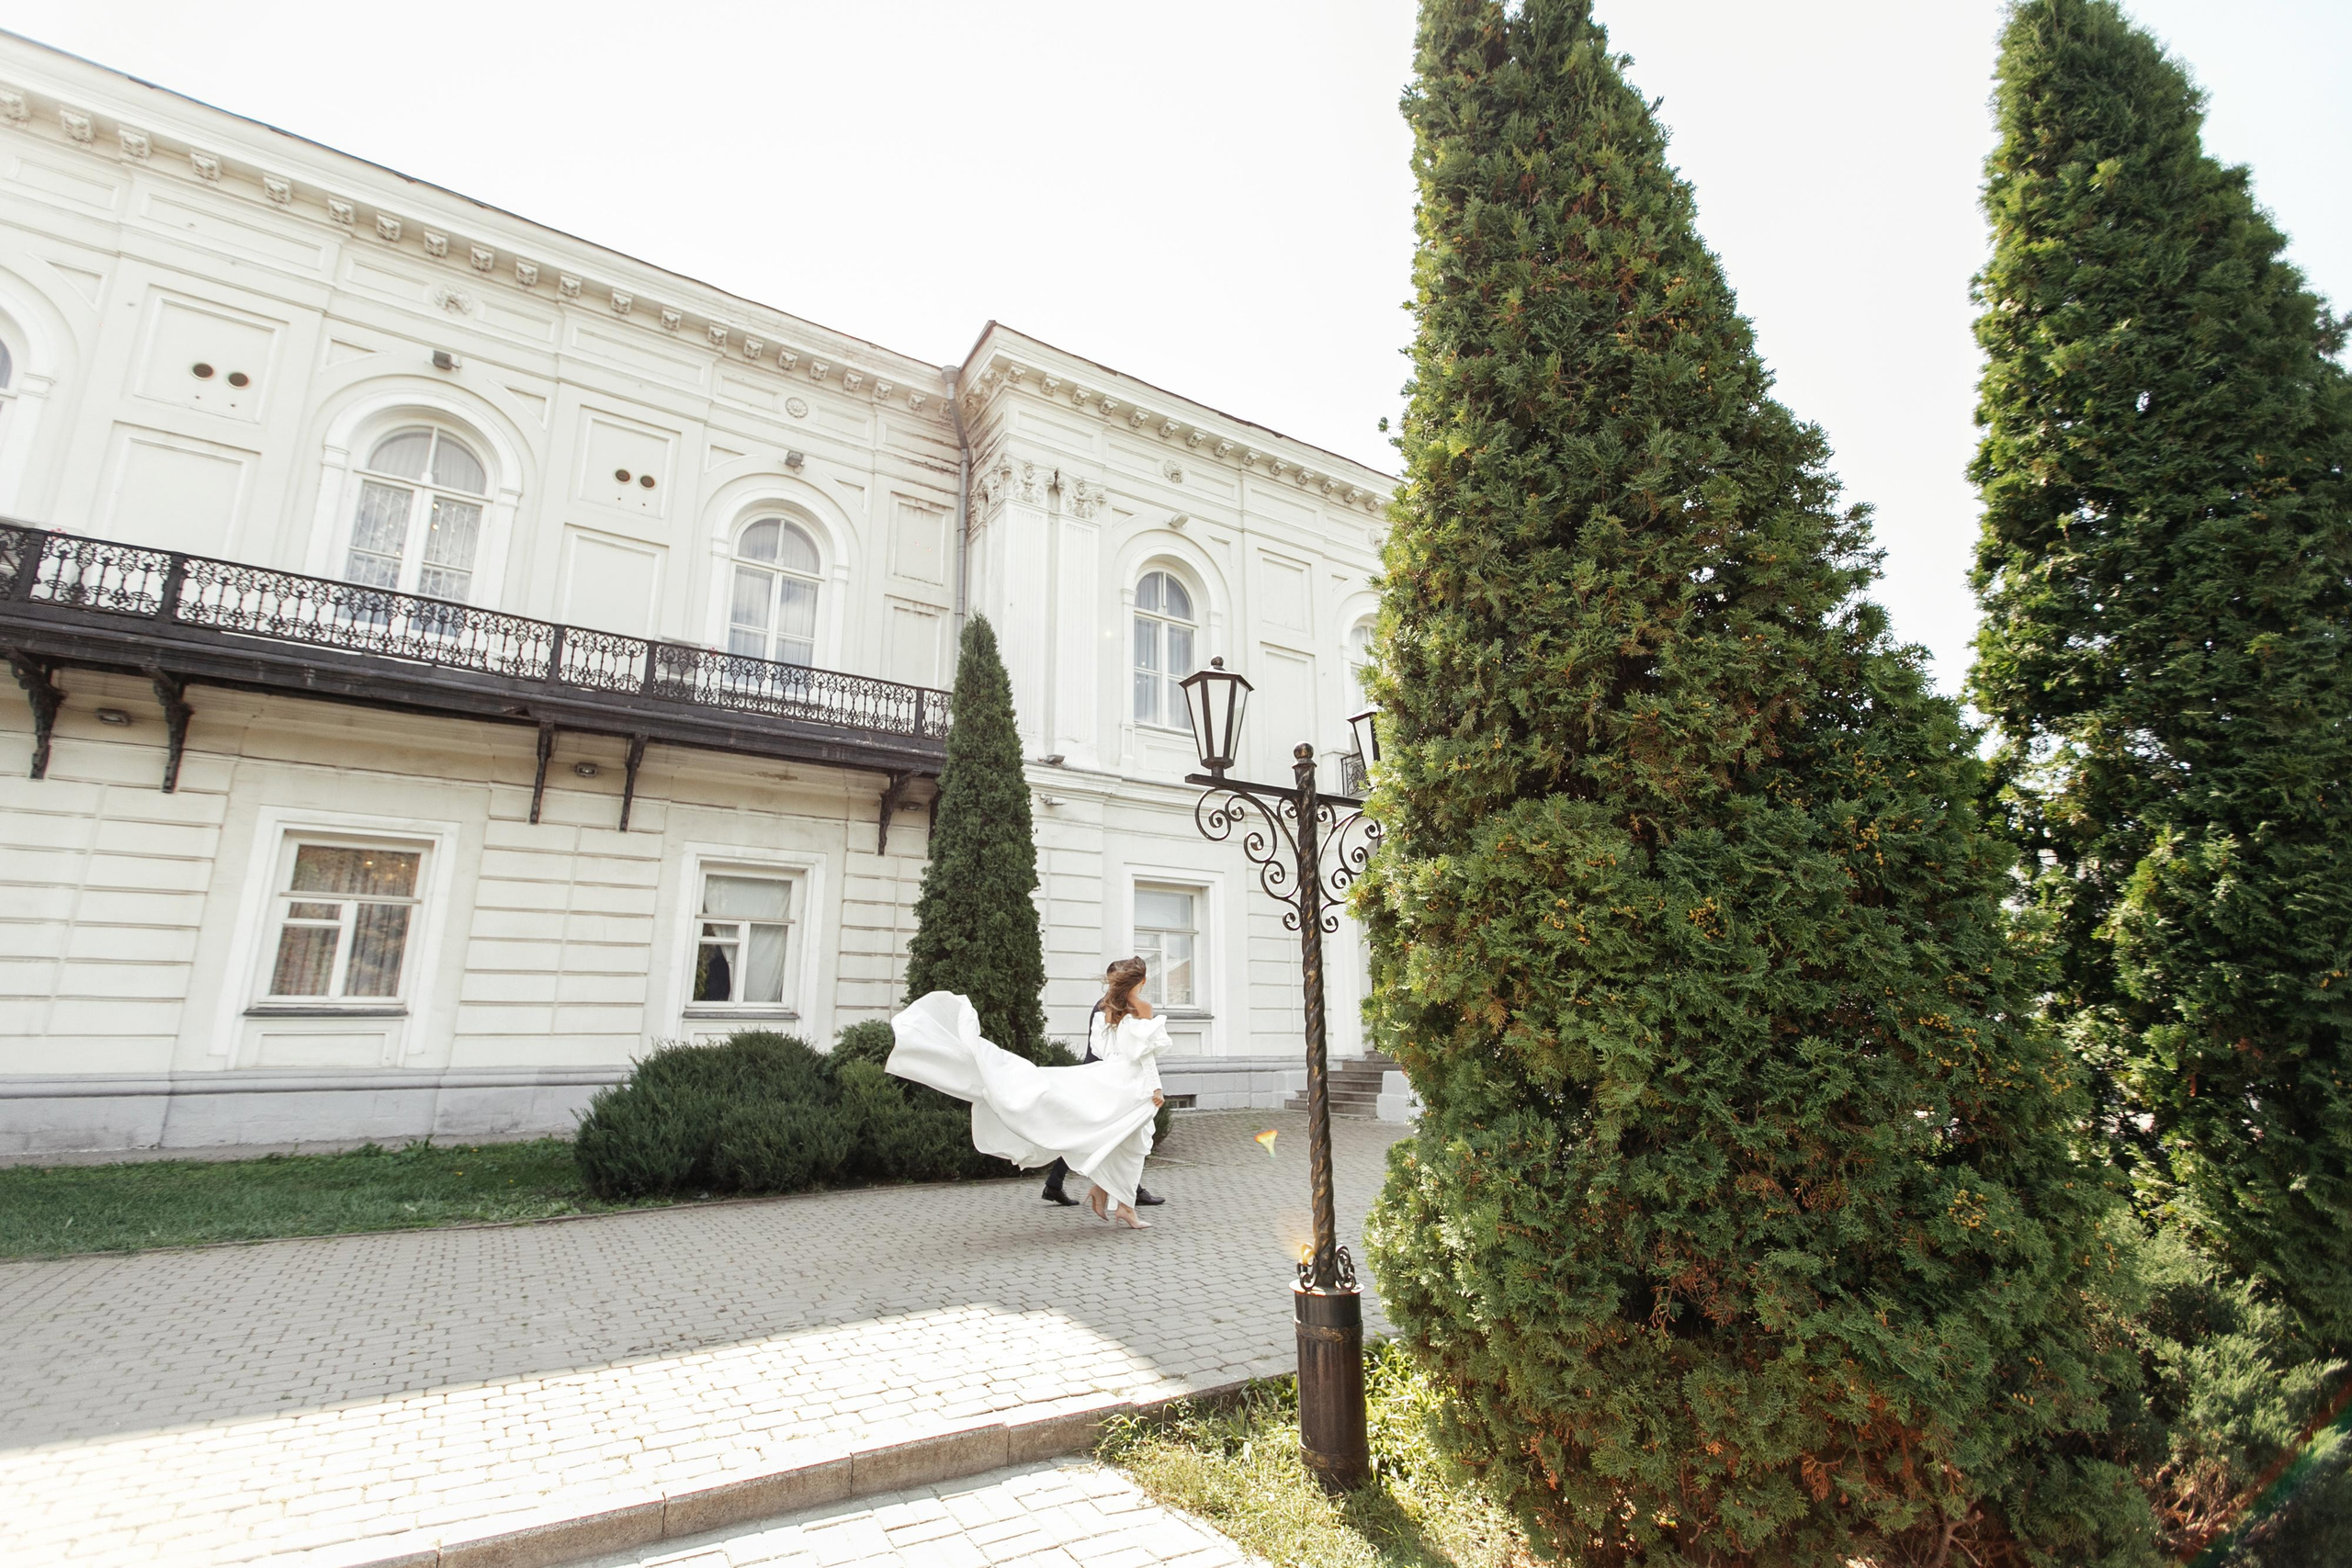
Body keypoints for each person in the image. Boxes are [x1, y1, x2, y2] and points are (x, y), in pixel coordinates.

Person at [887, 958, 1169, 1229]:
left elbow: (1102, 1050)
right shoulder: (1142, 1007)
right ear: (1142, 981)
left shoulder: (1108, 1007)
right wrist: (1155, 1086)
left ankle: (1111, 1196)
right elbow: (1145, 1054)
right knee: (1129, 1141)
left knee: (1123, 1138)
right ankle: (1119, 1203)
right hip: (1129, 1081)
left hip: (1109, 1076)